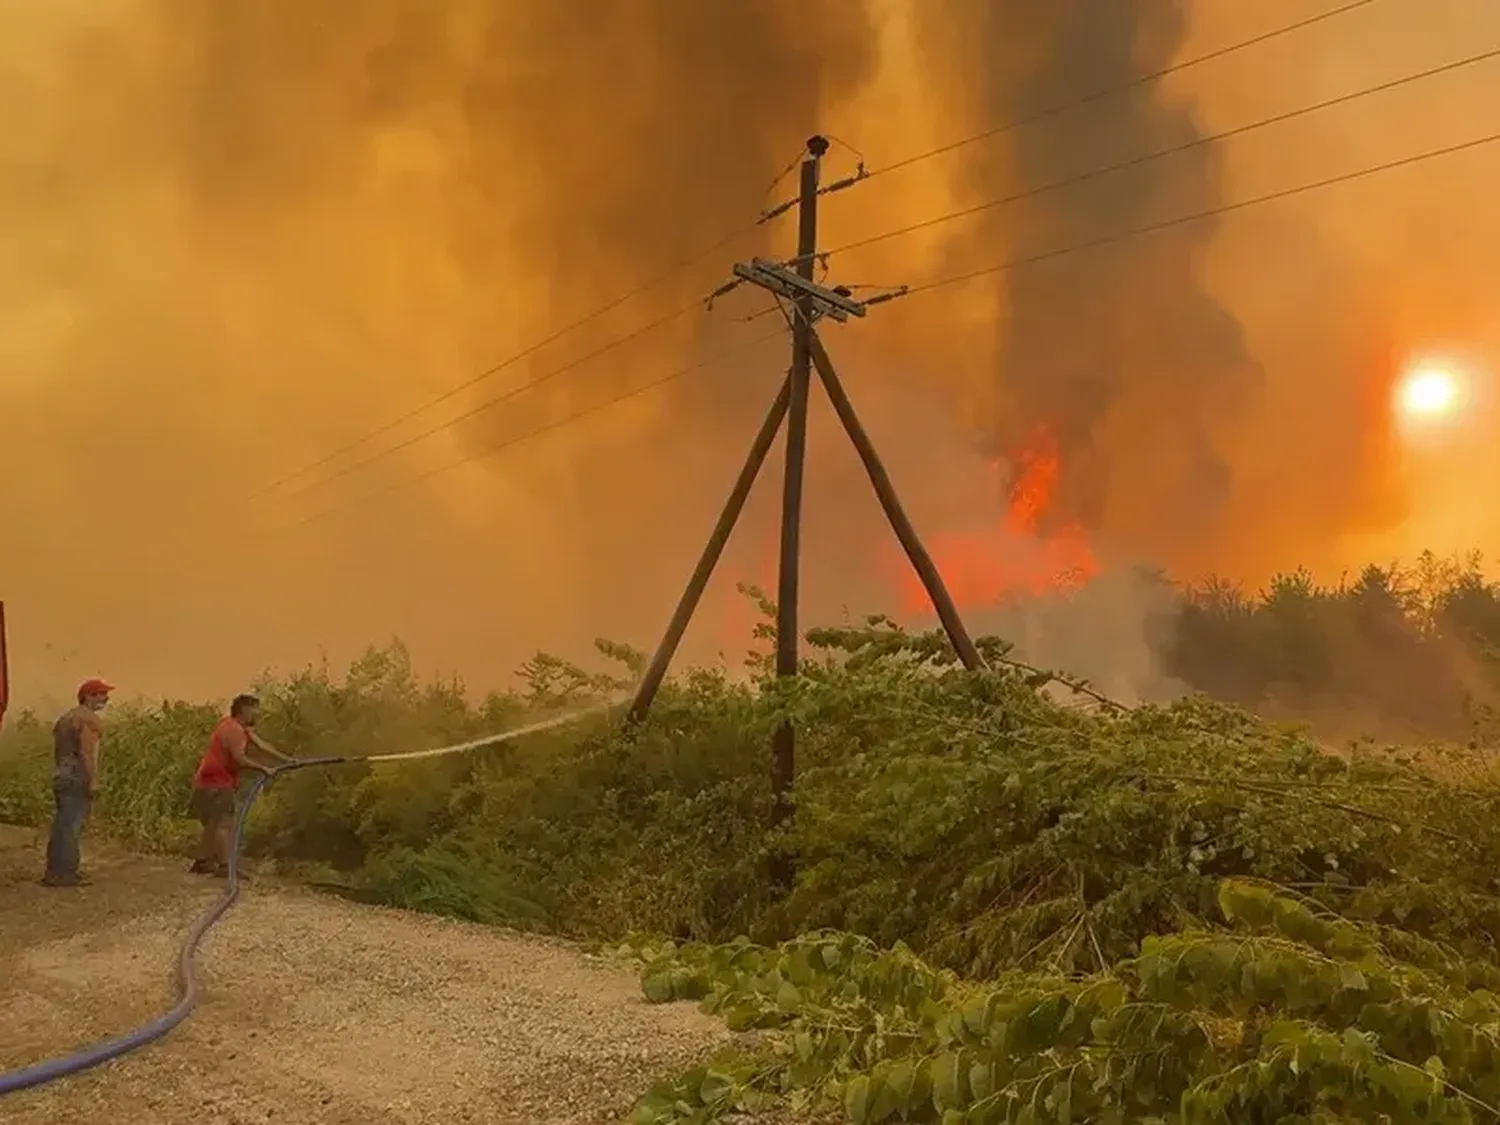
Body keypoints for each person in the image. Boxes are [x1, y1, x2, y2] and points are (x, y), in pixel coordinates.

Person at [188, 693, 294, 876]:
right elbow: (240, 759)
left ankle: (202, 862)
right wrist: (264, 769)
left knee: (213, 825)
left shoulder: (238, 727)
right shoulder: (234, 731)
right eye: (255, 709)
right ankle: (225, 867)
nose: (258, 713)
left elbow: (262, 745)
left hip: (209, 781)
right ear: (244, 710)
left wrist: (287, 759)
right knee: (224, 824)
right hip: (216, 782)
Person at [43, 678, 112, 887]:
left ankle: (54, 871)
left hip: (61, 775)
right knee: (72, 826)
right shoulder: (88, 720)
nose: (106, 698)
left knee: (62, 825)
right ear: (88, 696)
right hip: (77, 777)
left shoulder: (66, 718)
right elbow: (86, 753)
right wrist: (93, 781)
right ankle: (65, 874)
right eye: (101, 694)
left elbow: (59, 752)